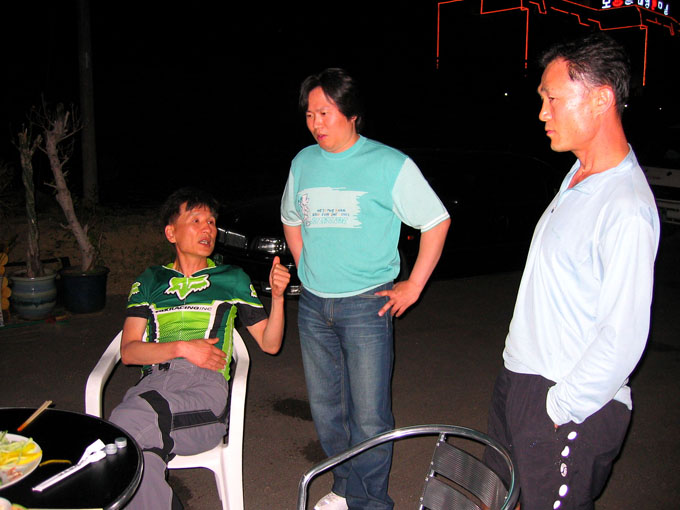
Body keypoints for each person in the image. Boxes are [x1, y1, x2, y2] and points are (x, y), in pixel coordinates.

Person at [484, 33, 660, 510]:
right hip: (520, 378)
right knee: (493, 500)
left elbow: (623, 336)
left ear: (601, 99)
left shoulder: (625, 207)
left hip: (565, 399)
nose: (543, 113)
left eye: (553, 99)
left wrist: (558, 408)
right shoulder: (578, 174)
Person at [281, 68, 450, 510]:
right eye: (310, 114)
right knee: (327, 411)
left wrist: (414, 285)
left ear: (351, 112)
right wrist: (305, 263)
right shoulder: (303, 162)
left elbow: (436, 221)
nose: (315, 123)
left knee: (370, 416)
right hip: (313, 307)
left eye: (325, 112)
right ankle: (345, 487)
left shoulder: (389, 164)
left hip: (366, 306)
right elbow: (291, 218)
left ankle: (371, 502)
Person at [110, 187, 290, 510]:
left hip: (204, 394)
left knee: (123, 431)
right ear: (171, 233)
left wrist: (277, 298)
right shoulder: (150, 280)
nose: (208, 228)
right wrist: (182, 348)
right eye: (196, 220)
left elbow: (270, 343)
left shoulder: (232, 278)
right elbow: (130, 351)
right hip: (152, 386)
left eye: (211, 222)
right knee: (137, 454)